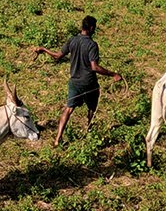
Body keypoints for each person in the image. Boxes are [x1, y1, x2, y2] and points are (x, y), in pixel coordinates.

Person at [31, 15, 122, 146]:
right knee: (92, 107)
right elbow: (94, 67)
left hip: (74, 82)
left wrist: (44, 49)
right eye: (95, 27)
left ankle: (57, 139)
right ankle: (89, 130)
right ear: (91, 28)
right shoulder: (92, 45)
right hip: (89, 82)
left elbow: (57, 56)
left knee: (68, 109)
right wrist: (113, 74)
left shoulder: (72, 40)